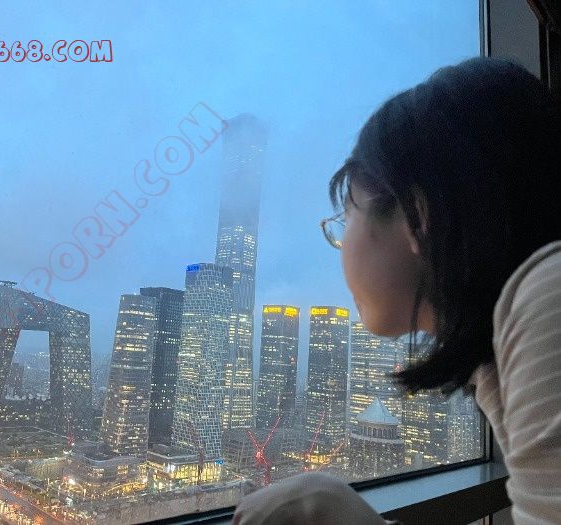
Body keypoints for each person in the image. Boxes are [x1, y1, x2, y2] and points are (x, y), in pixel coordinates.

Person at [232, 56, 561, 524]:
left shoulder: (548, 300)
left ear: (416, 214)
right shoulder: (500, 355)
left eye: (346, 219)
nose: (341, 245)